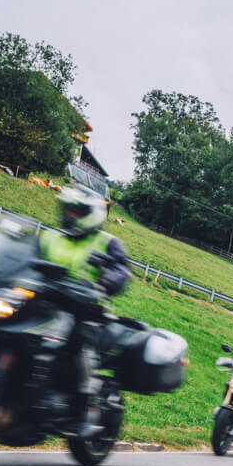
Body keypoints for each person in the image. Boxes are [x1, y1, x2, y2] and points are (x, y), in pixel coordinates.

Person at [40, 185, 131, 437]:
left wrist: (104, 283)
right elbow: (28, 256)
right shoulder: (50, 236)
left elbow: (120, 271)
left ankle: (84, 409)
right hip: (48, 304)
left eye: (76, 212)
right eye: (67, 210)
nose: (69, 216)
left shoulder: (107, 242)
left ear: (91, 214)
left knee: (79, 346)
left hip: (88, 312)